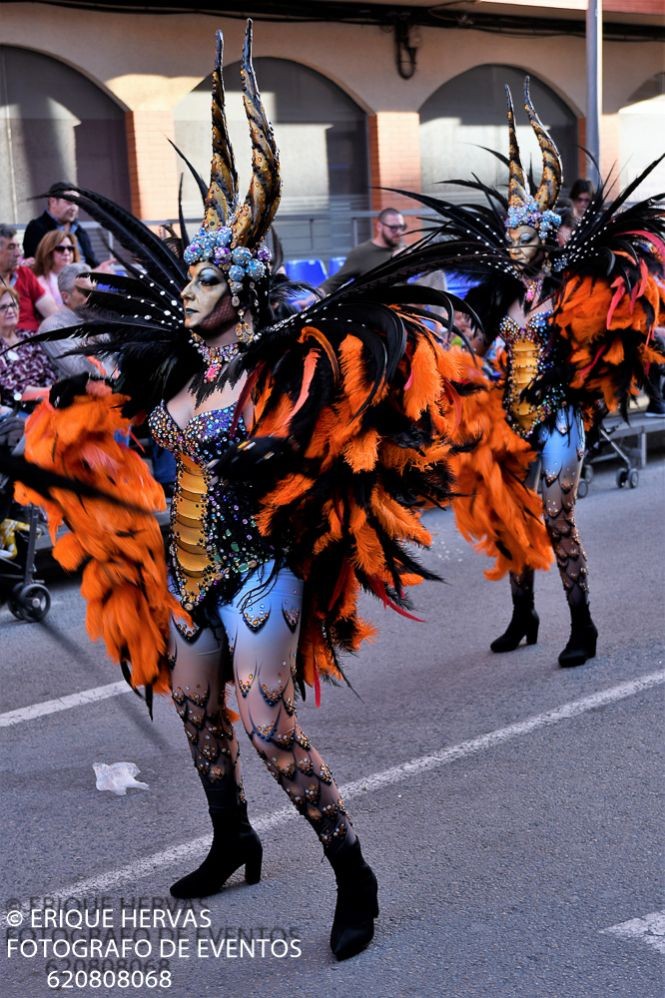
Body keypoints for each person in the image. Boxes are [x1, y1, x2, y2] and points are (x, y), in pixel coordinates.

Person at [17, 24, 497, 963]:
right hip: (184, 567)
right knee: (198, 719)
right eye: (187, 277)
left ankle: (350, 867)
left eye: (204, 278)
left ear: (238, 289)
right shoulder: (172, 373)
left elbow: (329, 453)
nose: (186, 291)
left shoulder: (277, 379)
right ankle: (232, 838)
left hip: (259, 570)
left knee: (266, 724)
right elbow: (91, 376)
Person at [407, 80, 664, 668]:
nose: (513, 243)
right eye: (509, 235)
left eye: (523, 236)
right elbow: (471, 341)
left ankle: (584, 624)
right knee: (506, 513)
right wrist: (442, 345)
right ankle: (524, 615)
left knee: (556, 518)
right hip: (508, 417)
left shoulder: (572, 291)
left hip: (562, 419)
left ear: (545, 240)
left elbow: (600, 344)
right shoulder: (504, 294)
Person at [318, 206, 406, 295]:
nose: (399, 232)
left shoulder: (405, 251)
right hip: (376, 305)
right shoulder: (361, 253)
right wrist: (310, 300)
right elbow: (335, 282)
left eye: (402, 227)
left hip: (403, 305)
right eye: (393, 228)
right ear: (379, 226)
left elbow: (419, 278)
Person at [36, 263, 102, 378]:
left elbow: (116, 361)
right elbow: (80, 371)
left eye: (94, 289)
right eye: (86, 292)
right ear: (66, 297)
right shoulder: (52, 328)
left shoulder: (95, 319)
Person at [0, 286, 56, 411]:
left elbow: (49, 373)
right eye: (3, 307)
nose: (10, 310)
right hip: (18, 410)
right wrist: (50, 393)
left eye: (13, 305)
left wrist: (54, 392)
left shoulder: (28, 337)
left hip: (48, 400)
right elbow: (13, 390)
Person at [23, 182, 100, 267]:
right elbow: (36, 265)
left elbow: (92, 262)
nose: (74, 208)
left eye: (77, 203)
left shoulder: (80, 231)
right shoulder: (36, 228)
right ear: (53, 201)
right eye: (69, 201)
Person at [0, 224, 57, 332]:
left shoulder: (24, 273)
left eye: (18, 247)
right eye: (11, 247)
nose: (18, 253)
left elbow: (51, 312)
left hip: (34, 340)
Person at [32, 229, 81, 305]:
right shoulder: (40, 282)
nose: (66, 252)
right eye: (60, 249)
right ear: (48, 252)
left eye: (70, 248)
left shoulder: (82, 276)